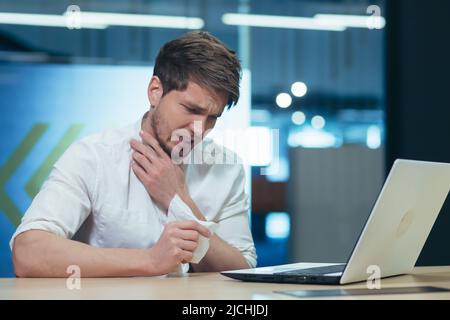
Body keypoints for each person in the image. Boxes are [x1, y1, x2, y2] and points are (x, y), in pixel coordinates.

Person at [10, 31, 256, 277]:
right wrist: (150, 261)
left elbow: (242, 269)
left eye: (212, 117)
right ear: (155, 91)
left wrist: (178, 200)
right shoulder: (94, 157)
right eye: (191, 109)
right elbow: (28, 253)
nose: (199, 129)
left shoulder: (226, 167)